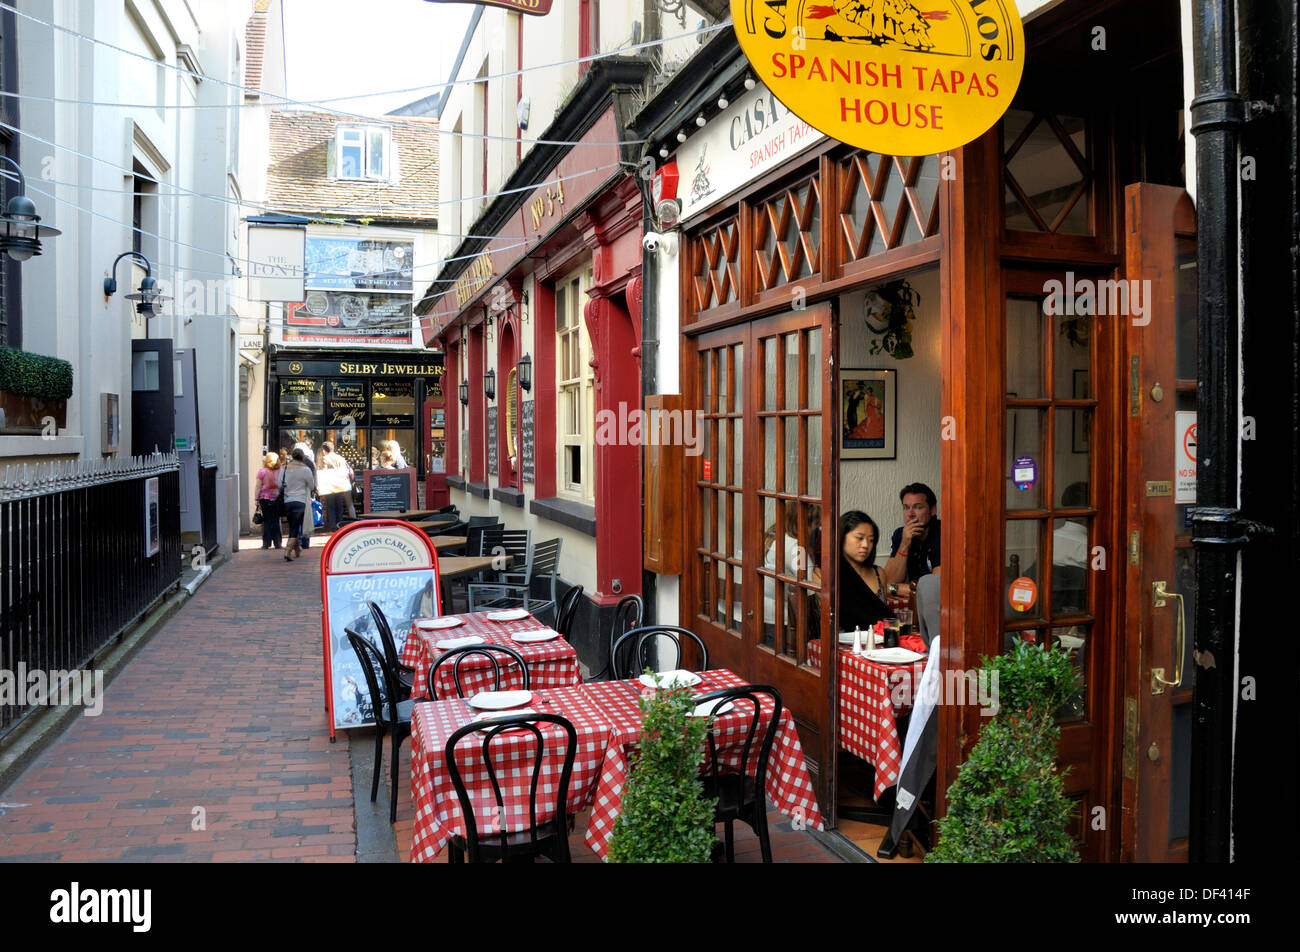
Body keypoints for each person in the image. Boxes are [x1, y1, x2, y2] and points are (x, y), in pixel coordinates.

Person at [835, 511, 891, 632]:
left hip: (878, 642)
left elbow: (884, 618)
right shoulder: (830, 574)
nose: (865, 545)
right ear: (841, 536)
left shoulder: (879, 573)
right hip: (845, 644)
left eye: (871, 540)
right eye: (859, 538)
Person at [884, 482, 942, 586]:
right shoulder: (900, 534)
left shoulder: (943, 533)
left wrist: (896, 589)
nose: (910, 514)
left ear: (932, 510)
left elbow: (936, 587)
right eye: (906, 507)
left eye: (918, 507)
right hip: (912, 599)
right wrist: (905, 543)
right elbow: (889, 582)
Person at [281, 447, 316, 561]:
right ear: (302, 457)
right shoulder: (306, 469)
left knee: (293, 525)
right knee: (295, 527)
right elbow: (311, 486)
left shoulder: (285, 468)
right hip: (300, 501)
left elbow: (278, 483)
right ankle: (288, 550)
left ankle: (297, 549)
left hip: (287, 501)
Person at [317, 441, 354, 531]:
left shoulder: (324, 459)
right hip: (340, 485)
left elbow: (321, 472)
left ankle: (333, 527)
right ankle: (340, 524)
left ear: (324, 450)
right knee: (339, 505)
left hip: (329, 486)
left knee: (331, 506)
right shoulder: (340, 458)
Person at [254, 452, 284, 550]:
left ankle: (266, 543)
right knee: (276, 520)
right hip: (277, 499)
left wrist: (256, 499)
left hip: (265, 498)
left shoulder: (262, 472)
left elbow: (258, 487)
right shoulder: (281, 471)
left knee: (267, 520)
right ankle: (277, 542)